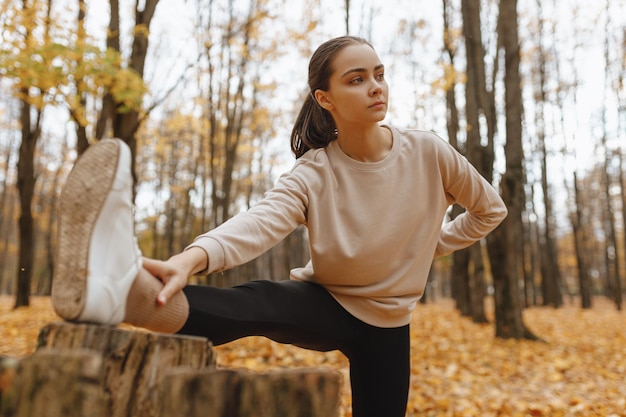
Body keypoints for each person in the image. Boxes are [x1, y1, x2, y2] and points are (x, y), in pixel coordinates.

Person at [52, 35, 507, 417]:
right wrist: (188, 259)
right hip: (327, 301)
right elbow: (259, 223)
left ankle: (119, 290)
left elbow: (490, 210)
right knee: (255, 303)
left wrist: (431, 245)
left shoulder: (429, 153)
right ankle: (120, 294)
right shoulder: (315, 172)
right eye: (357, 79)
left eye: (379, 74)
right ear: (324, 99)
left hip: (389, 324)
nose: (375, 87)